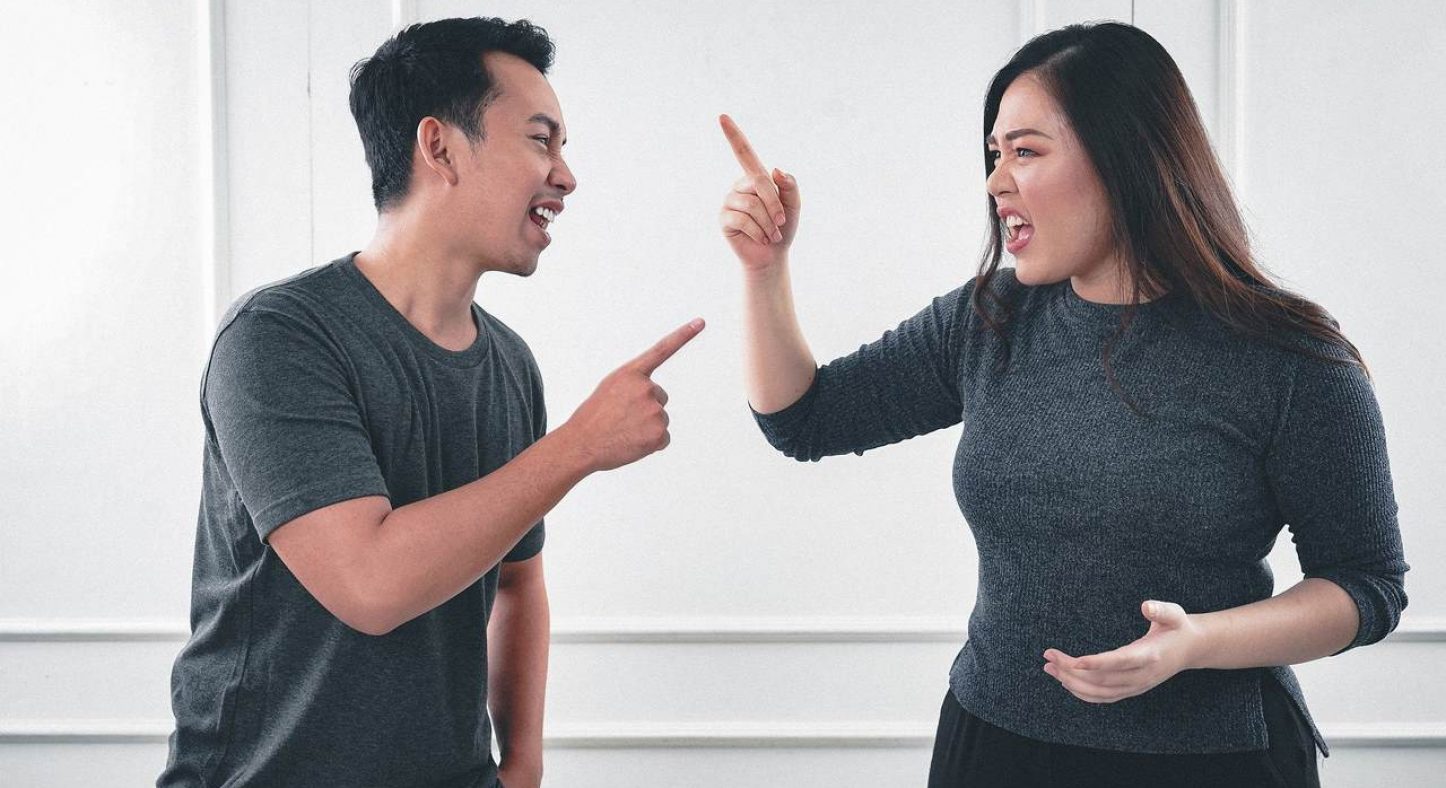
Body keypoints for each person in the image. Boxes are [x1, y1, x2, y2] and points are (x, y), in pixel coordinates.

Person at [717, 22, 1406, 788]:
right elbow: (805, 419)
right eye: (993, 154)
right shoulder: (990, 320)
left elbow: (1365, 585)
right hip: (993, 748)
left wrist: (1196, 643)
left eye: (1025, 151)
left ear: (1126, 158)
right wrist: (764, 269)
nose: (995, 182)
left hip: (1212, 762)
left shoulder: (1289, 359)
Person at [160, 17, 703, 788]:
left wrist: (522, 766)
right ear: (440, 147)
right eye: (541, 141)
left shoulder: (509, 364)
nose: (566, 176)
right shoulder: (278, 337)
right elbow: (370, 584)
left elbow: (517, 580)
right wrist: (580, 445)